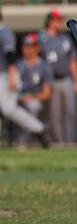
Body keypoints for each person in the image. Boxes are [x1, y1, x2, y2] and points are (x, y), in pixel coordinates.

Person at [0, 12, 48, 148]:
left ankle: (39, 129)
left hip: (5, 74)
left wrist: (11, 75)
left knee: (9, 109)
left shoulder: (4, 31)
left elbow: (10, 54)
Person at [38, 9, 77, 145]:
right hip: (51, 81)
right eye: (58, 20)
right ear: (50, 22)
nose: (60, 23)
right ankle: (59, 143)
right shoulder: (41, 38)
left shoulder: (65, 38)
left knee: (71, 113)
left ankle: (71, 143)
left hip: (66, 79)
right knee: (55, 114)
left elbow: (73, 60)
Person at [15, 33, 53, 146]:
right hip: (18, 98)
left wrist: (31, 97)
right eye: (26, 46)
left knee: (33, 106)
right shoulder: (18, 65)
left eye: (31, 46)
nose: (28, 49)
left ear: (38, 48)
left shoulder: (44, 66)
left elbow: (47, 94)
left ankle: (23, 141)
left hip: (35, 99)